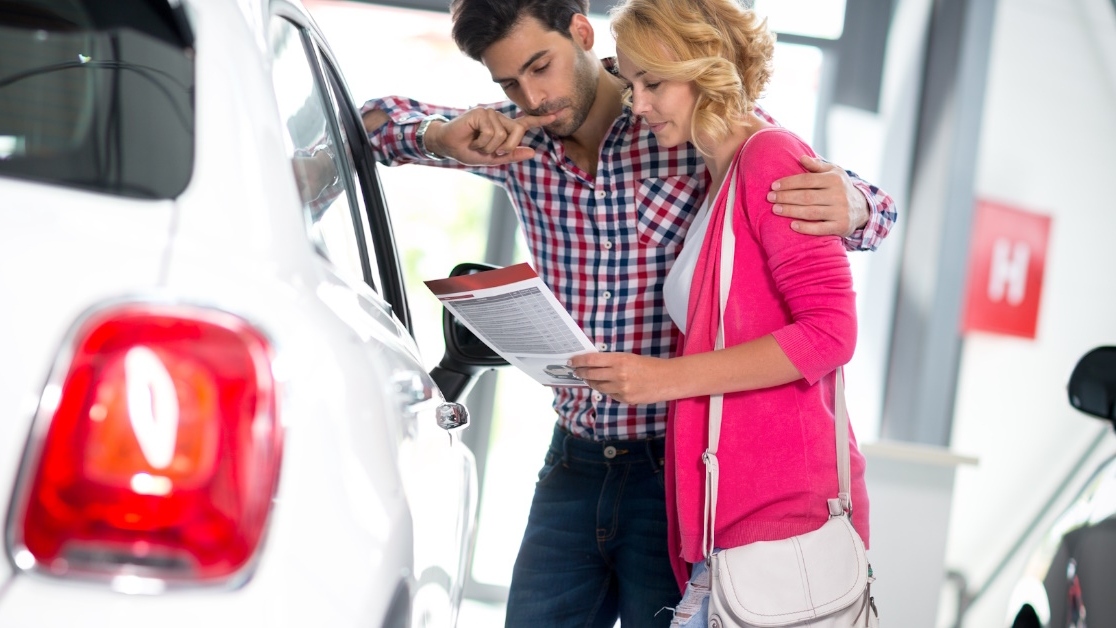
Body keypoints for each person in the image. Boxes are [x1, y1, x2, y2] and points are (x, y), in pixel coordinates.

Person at [361, 1, 894, 625]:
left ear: (583, 33)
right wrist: (439, 138)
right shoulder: (512, 140)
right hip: (573, 458)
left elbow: (867, 215)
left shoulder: (690, 119)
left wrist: (856, 205)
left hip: (676, 467)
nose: (532, 96)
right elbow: (371, 122)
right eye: (508, 83)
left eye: (541, 67)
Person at [568, 0, 870, 624]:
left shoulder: (770, 158)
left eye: (653, 83)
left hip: (780, 522)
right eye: (631, 85)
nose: (638, 104)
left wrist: (660, 379)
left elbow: (830, 332)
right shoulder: (720, 176)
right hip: (736, 523)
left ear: (705, 69)